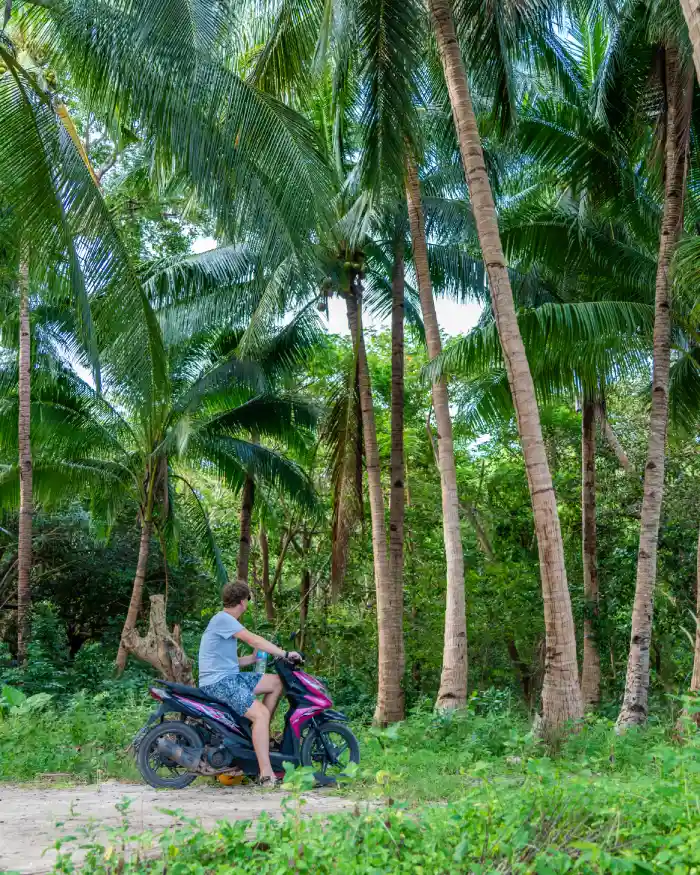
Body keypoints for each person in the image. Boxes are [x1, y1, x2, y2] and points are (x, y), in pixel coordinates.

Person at [198, 580, 302, 785]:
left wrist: (253, 660)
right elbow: (253, 640)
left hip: (229, 677)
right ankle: (265, 774)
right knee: (261, 714)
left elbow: (230, 663)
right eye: (248, 599)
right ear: (243, 602)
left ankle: (258, 733)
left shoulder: (224, 622)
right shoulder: (224, 619)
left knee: (276, 682)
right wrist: (285, 653)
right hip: (218, 682)